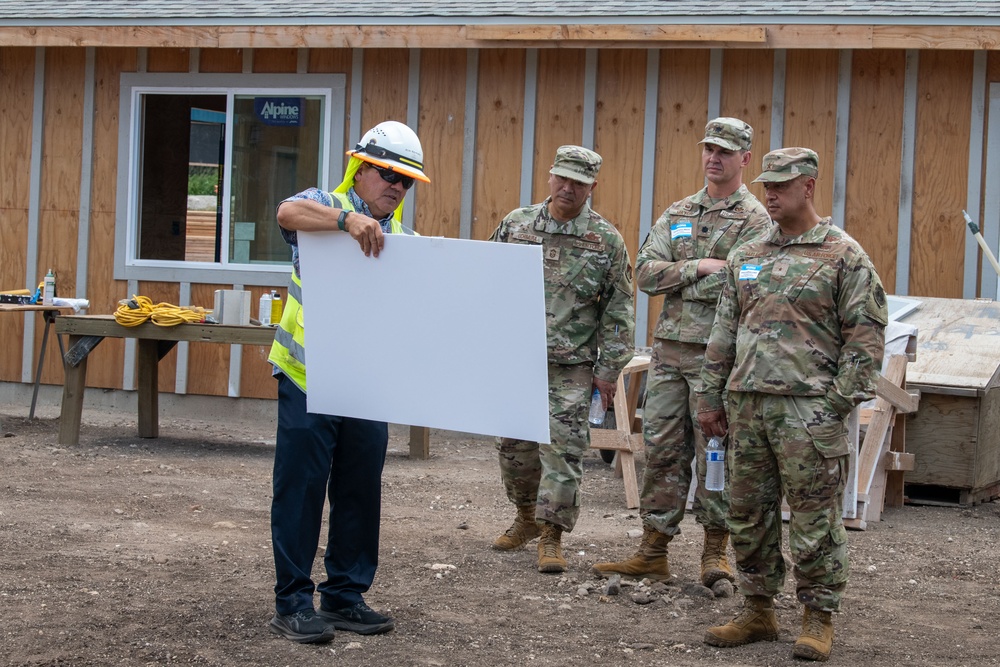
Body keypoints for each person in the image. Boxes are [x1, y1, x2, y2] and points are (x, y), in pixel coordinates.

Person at [695, 148, 887, 662]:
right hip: (747, 410)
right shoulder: (747, 252)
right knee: (747, 514)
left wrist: (836, 405)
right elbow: (723, 332)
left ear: (810, 186)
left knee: (813, 520)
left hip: (808, 413)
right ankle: (758, 611)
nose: (771, 194)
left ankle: (818, 617)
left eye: (782, 185)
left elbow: (865, 341)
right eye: (767, 185)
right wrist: (709, 396)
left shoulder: (842, 255)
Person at [266, 120, 430, 644]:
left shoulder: (404, 240)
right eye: (388, 174)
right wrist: (345, 221)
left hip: (366, 385)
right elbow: (285, 213)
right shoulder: (321, 203)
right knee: (302, 488)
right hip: (306, 377)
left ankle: (343, 596)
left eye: (405, 182)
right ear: (360, 168)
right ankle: (293, 601)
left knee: (360, 491)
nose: (396, 187)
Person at [592, 118, 771, 587]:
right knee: (663, 452)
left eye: (726, 152)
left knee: (717, 452)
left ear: (745, 160)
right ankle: (653, 550)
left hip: (718, 358)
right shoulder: (679, 211)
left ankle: (716, 553)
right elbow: (646, 275)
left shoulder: (756, 220)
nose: (714, 158)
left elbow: (746, 283)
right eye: (710, 149)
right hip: (669, 357)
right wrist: (699, 266)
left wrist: (687, 273)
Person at [488, 145, 635, 574]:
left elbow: (619, 311)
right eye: (562, 178)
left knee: (563, 452)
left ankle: (551, 534)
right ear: (550, 177)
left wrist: (609, 372)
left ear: (592, 186)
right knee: (514, 450)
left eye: (578, 182)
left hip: (572, 367)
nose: (567, 188)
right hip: (517, 361)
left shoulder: (604, 241)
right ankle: (526, 518)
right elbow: (485, 282)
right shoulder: (516, 226)